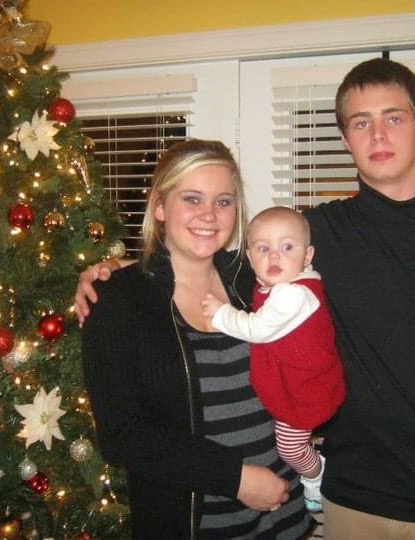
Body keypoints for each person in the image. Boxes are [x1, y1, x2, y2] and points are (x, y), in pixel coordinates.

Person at [76, 58, 415, 540]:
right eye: (361, 122)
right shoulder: (311, 235)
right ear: (345, 138)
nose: (378, 135)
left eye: (394, 117)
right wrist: (115, 272)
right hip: (349, 501)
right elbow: (192, 260)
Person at [79, 139, 314, 539]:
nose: (209, 215)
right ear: (159, 206)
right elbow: (122, 435)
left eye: (223, 201)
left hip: (285, 516)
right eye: (192, 198)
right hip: (195, 523)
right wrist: (235, 478)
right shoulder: (118, 299)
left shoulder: (258, 280)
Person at [201, 206, 346, 513]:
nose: (275, 256)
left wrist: (220, 313)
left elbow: (257, 329)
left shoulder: (294, 294)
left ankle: (316, 475)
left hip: (307, 391)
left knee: (290, 447)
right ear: (250, 257)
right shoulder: (277, 287)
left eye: (287, 247)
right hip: (296, 384)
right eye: (263, 249)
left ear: (307, 256)